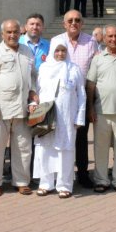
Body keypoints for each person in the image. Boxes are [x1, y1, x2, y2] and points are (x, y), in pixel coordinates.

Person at [0, 19, 38, 196]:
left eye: (15, 32)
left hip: (22, 109)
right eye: (9, 32)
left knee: (23, 147)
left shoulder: (27, 51)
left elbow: (33, 77)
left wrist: (33, 94)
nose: (12, 35)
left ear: (20, 33)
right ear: (3, 34)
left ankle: (21, 181)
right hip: (1, 110)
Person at [49, 10, 98, 188]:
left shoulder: (91, 42)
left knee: (81, 137)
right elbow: (51, 67)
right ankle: (60, 174)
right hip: (60, 96)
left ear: (82, 23)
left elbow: (95, 69)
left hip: (82, 95)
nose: (74, 23)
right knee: (59, 135)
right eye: (70, 20)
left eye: (77, 20)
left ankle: (83, 174)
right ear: (64, 23)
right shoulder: (56, 41)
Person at [33, 43, 86, 198]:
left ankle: (64, 185)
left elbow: (81, 95)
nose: (60, 54)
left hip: (66, 118)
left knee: (65, 150)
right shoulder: (43, 68)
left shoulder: (74, 69)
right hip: (46, 115)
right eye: (57, 50)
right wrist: (35, 109)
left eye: (63, 51)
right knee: (45, 149)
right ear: (52, 52)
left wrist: (79, 117)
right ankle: (45, 183)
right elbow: (36, 91)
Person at [87, 25, 116, 194]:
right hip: (101, 111)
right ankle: (101, 180)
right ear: (105, 39)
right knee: (100, 148)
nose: (114, 39)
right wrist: (90, 107)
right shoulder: (98, 59)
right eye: (110, 36)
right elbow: (91, 85)